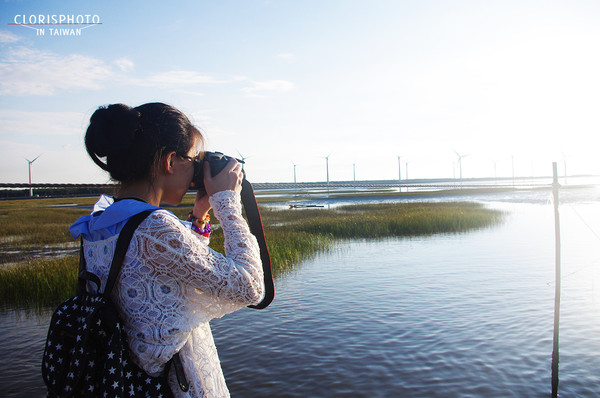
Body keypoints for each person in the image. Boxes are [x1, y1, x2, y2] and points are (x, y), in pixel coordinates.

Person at [69, 102, 264, 397]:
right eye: (193, 161)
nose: (196, 172)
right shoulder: (154, 227)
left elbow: (171, 272)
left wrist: (199, 215)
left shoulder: (100, 222)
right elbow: (249, 287)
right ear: (170, 161)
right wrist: (227, 202)